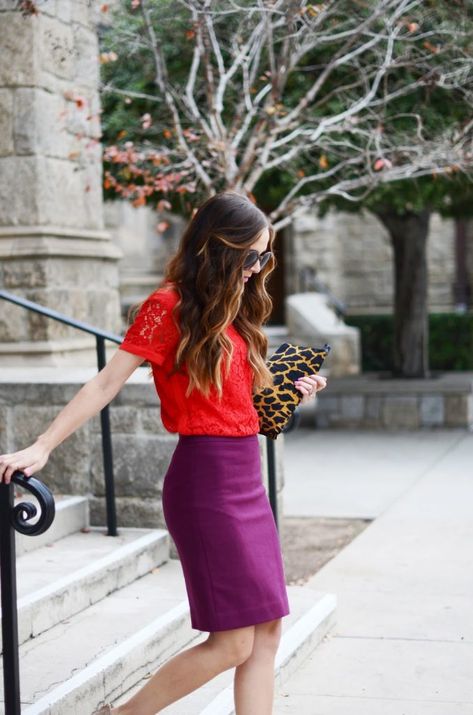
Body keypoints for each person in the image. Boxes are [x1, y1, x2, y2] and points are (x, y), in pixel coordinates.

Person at [0, 190, 327, 715]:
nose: (256, 269)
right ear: (218, 248)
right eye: (250, 257)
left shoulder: (232, 309)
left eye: (264, 257)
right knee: (232, 643)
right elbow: (106, 384)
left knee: (266, 631)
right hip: (207, 483)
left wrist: (290, 389)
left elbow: (237, 402)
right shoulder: (167, 307)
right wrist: (42, 445)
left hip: (247, 479)